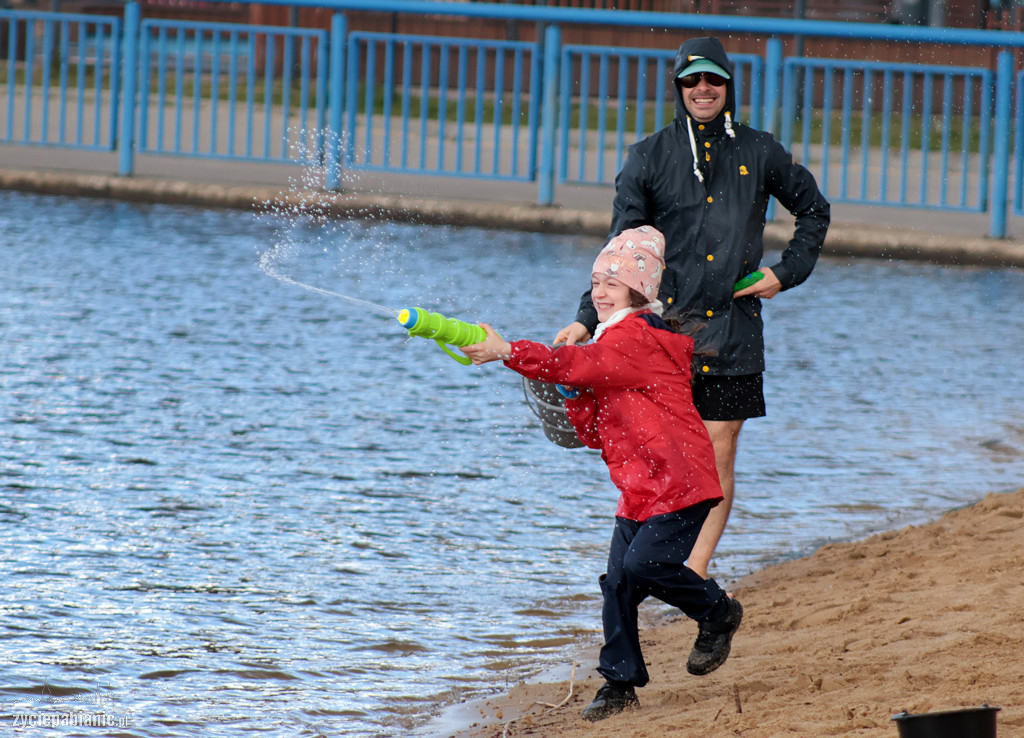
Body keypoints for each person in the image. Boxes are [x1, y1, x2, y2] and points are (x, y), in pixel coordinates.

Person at [556, 36, 830, 579]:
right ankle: (653, 557)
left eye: (713, 80)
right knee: (662, 453)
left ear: (728, 86)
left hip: (734, 330)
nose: (702, 89)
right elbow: (620, 248)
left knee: (718, 451)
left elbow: (814, 212)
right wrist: (586, 317)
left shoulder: (761, 150)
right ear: (678, 87)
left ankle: (694, 571)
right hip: (665, 331)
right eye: (691, 80)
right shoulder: (648, 157)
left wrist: (784, 272)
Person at [462, 226, 743, 722]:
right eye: (595, 281)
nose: (599, 292)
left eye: (611, 283)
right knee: (617, 583)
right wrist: (574, 399)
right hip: (640, 486)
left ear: (638, 291)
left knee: (643, 568)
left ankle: (718, 612)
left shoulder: (634, 338)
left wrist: (509, 352)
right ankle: (619, 684)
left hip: (681, 480)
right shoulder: (608, 343)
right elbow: (594, 432)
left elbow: (573, 362)